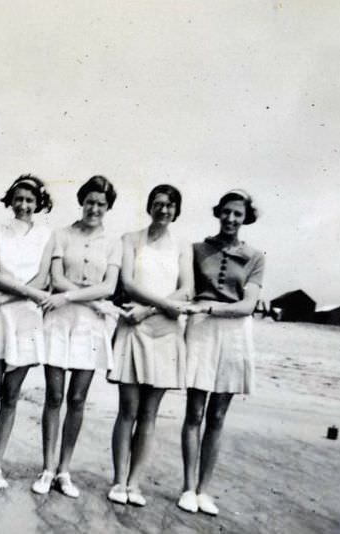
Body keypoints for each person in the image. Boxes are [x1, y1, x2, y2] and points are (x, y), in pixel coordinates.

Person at [31, 175, 123, 498]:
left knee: (78, 399)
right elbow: (56, 277)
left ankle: (64, 470)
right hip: (59, 320)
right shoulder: (61, 234)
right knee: (54, 397)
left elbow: (109, 287)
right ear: (81, 201)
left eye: (101, 204)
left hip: (90, 326)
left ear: (108, 207)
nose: (94, 208)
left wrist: (77, 296)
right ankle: (47, 467)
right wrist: (90, 297)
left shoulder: (114, 243)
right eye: (90, 201)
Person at [177, 189, 265, 516]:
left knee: (217, 416)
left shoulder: (256, 257)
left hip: (234, 333)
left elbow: (247, 305)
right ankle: (187, 488)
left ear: (245, 219)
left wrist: (211, 307)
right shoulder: (198, 250)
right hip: (200, 329)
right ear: (218, 212)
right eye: (226, 212)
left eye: (237, 214)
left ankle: (204, 490)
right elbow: (186, 290)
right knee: (195, 413)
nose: (230, 219)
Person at [107, 184, 192, 506]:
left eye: (169, 205)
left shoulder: (183, 245)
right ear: (149, 206)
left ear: (176, 210)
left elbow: (186, 290)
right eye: (157, 204)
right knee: (127, 410)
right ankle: (118, 481)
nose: (163, 210)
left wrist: (150, 309)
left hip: (165, 331)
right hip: (132, 328)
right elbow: (127, 283)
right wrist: (151, 308)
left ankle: (135, 484)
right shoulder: (130, 239)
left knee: (150, 414)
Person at [0, 174, 54, 490]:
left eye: (30, 200)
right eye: (18, 199)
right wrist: (2, 297)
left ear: (38, 203)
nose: (24, 205)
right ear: (10, 200)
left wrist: (4, 296)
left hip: (25, 317)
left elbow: (42, 280)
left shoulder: (47, 235)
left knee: (11, 395)